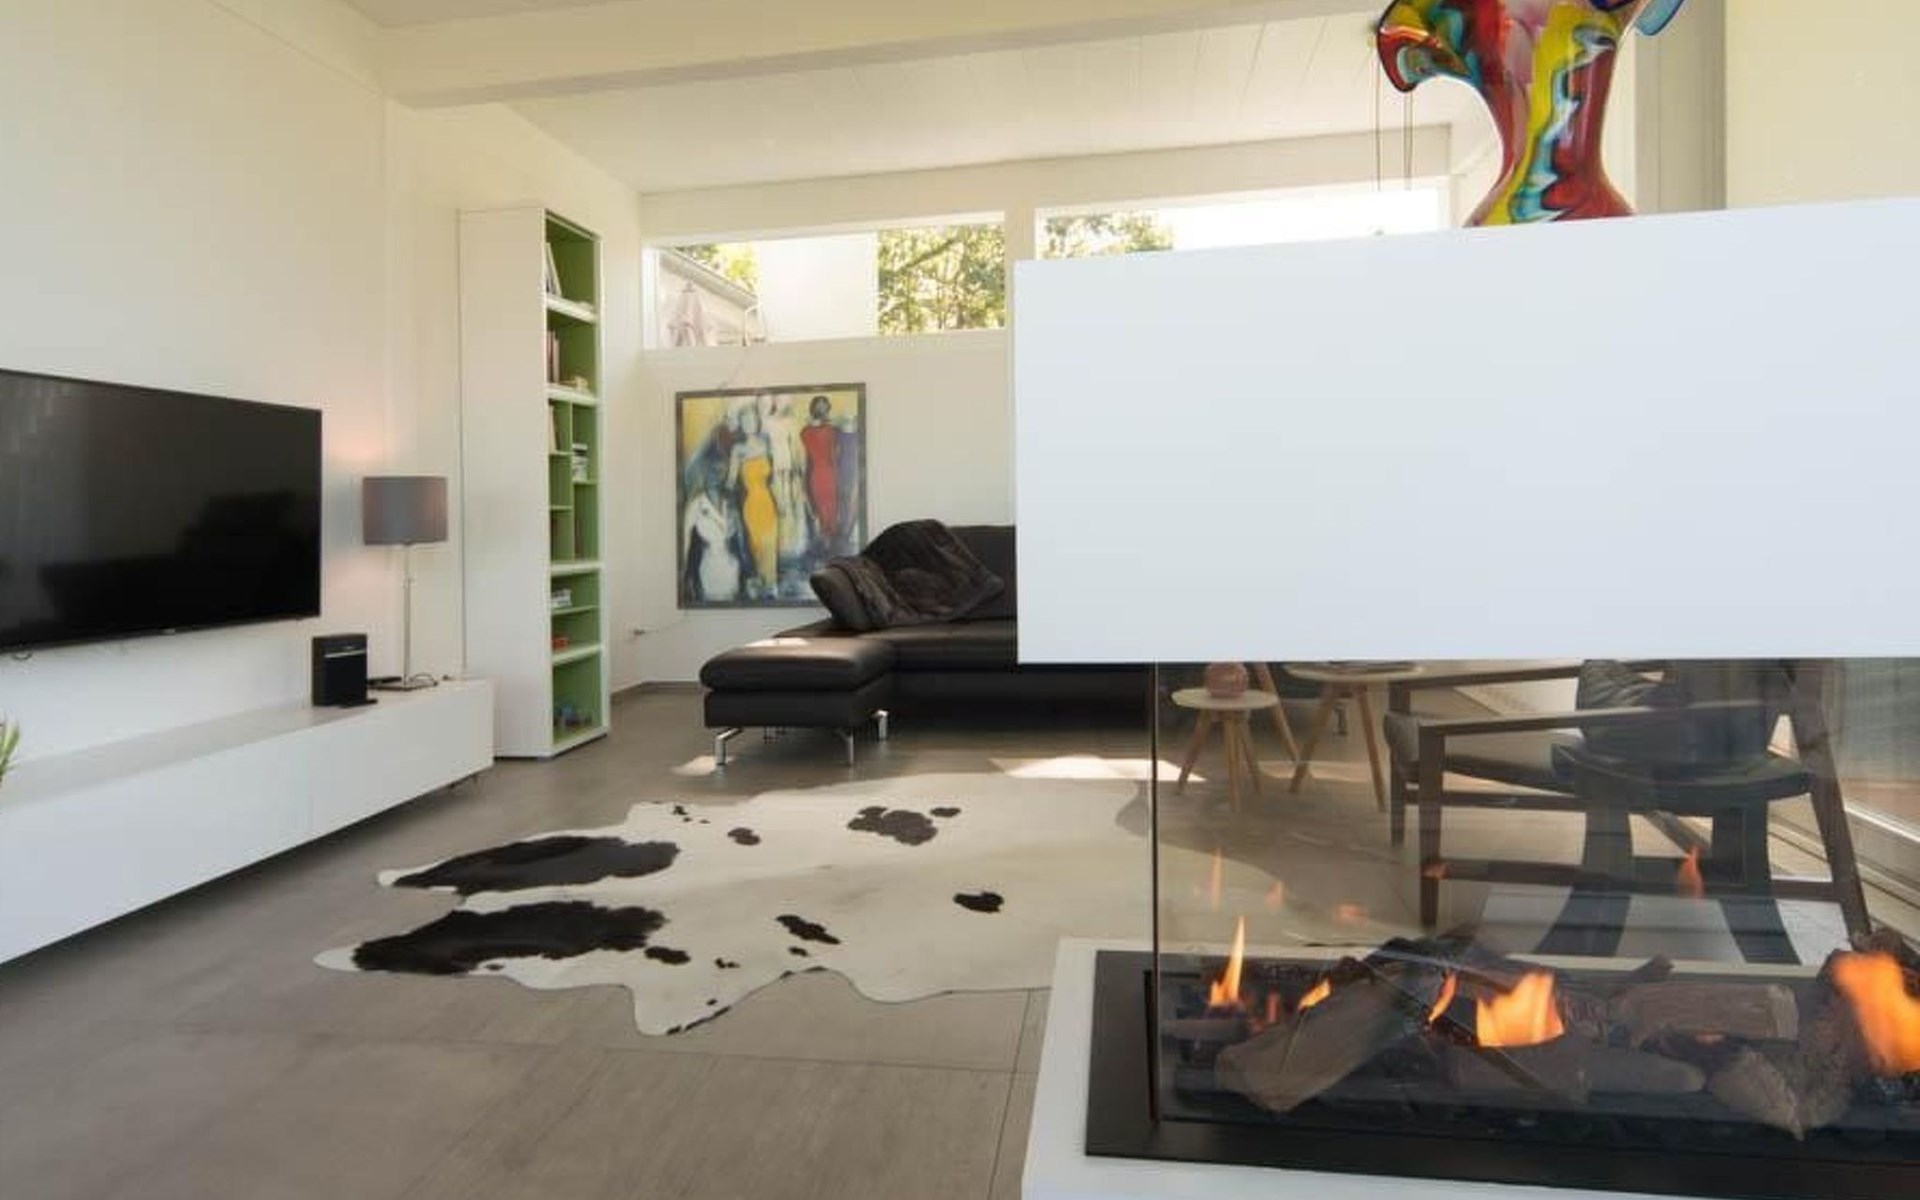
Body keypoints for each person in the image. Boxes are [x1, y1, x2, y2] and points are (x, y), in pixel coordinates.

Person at [726, 403, 778, 597]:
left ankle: (771, 586)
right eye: (745, 420)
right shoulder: (738, 449)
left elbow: (773, 478)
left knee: (770, 543)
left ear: (757, 421)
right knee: (755, 545)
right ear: (740, 424)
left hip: (768, 501)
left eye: (752, 419)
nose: (749, 423)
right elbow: (730, 482)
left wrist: (780, 500)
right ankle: (758, 585)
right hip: (751, 504)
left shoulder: (766, 444)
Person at [799, 394, 844, 551]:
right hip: (817, 474)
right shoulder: (806, 431)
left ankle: (829, 544)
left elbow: (836, 454)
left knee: (832, 509)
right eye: (819, 405)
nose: (822, 409)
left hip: (831, 474)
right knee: (820, 509)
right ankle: (824, 543)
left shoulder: (833, 430)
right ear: (813, 408)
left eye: (825, 406)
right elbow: (805, 459)